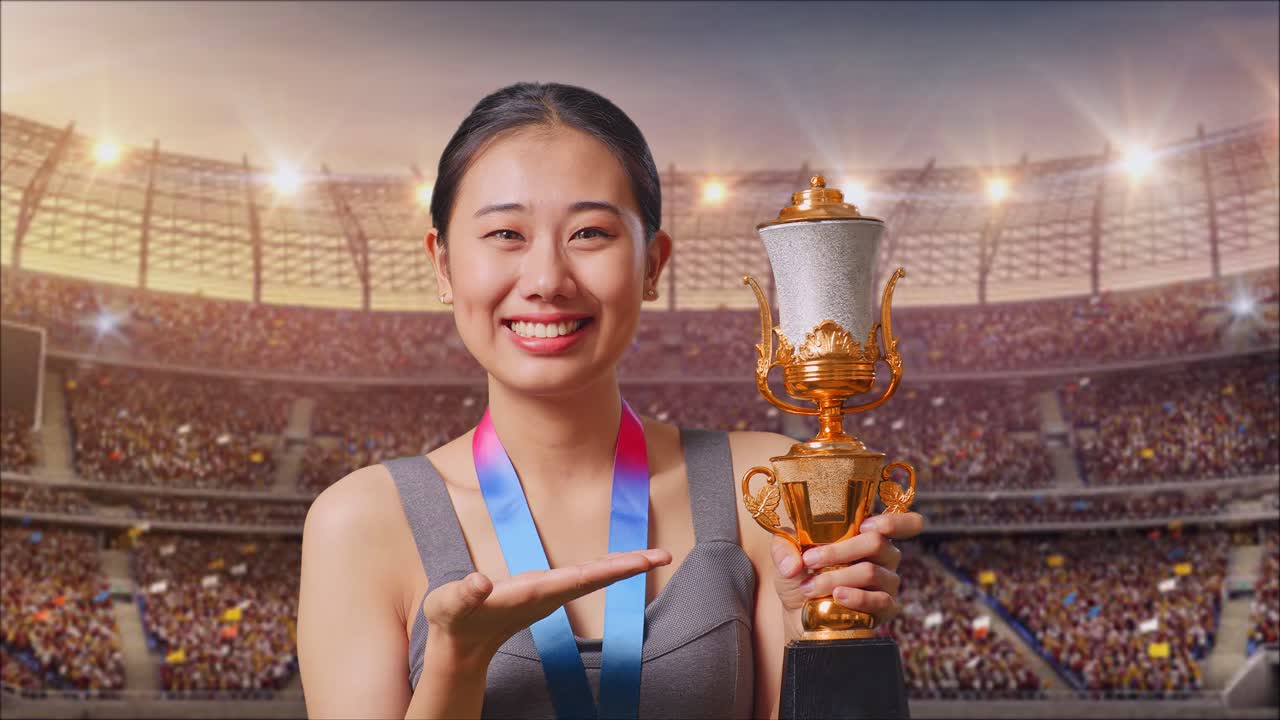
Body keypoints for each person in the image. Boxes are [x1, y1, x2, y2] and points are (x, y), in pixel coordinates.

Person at [296, 81, 924, 719]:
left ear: (652, 265)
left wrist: (821, 634)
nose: (546, 281)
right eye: (506, 234)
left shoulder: (765, 489)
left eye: (590, 233)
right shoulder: (361, 523)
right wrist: (455, 665)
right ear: (442, 264)